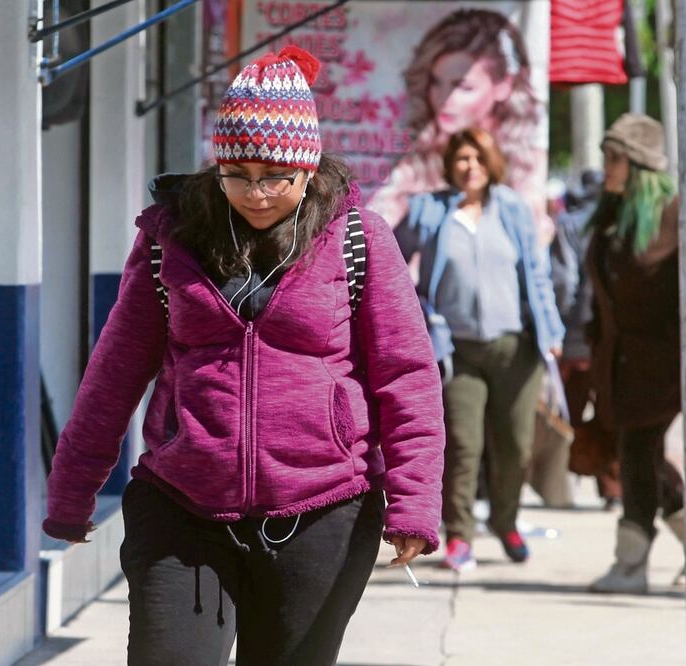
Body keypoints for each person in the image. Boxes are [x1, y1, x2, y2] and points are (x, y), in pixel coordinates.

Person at [43, 46, 446, 665]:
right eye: (237, 173)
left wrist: (415, 501)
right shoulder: (171, 240)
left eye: (274, 176)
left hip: (324, 512)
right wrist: (72, 491)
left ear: (308, 168)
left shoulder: (358, 239)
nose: (255, 193)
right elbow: (114, 373)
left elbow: (405, 373)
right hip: (183, 507)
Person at [393, 127, 564, 572]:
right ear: (450, 165)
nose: (470, 167)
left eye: (478, 158)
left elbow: (537, 273)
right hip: (456, 351)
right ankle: (459, 537)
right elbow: (389, 259)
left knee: (515, 446)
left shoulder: (511, 208)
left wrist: (552, 331)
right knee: (463, 446)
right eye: (462, 159)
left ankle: (506, 522)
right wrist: (415, 313)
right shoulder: (430, 211)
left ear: (492, 163)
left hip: (516, 347)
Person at [584, 114, 686, 594]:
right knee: (641, 458)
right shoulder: (612, 215)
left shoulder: (675, 214)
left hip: (662, 366)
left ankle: (631, 566)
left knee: (639, 456)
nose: (606, 167)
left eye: (614, 157)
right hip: (618, 365)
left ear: (640, 164)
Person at [369, 9, 550, 239]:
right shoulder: (417, 159)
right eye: (436, 83)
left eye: (463, 87)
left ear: (503, 85)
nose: (444, 99)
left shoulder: (527, 164)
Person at [549, 170, 624, 508]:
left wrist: (562, 329)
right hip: (614, 335)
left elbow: (563, 281)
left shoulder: (570, 224)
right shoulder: (620, 220)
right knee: (613, 411)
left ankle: (568, 479)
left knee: (573, 413)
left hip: (578, 335)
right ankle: (614, 488)